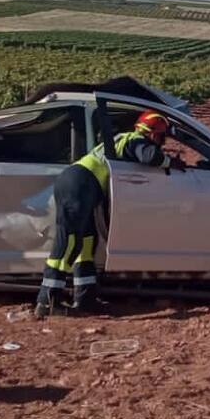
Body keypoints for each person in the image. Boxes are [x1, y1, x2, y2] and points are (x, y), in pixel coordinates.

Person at [35, 108, 183, 317]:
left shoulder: (126, 139)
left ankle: (85, 299)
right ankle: (47, 301)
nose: (162, 142)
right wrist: (172, 163)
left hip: (83, 184)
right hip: (79, 183)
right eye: (161, 137)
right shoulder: (136, 140)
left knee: (87, 243)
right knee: (68, 242)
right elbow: (150, 157)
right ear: (151, 133)